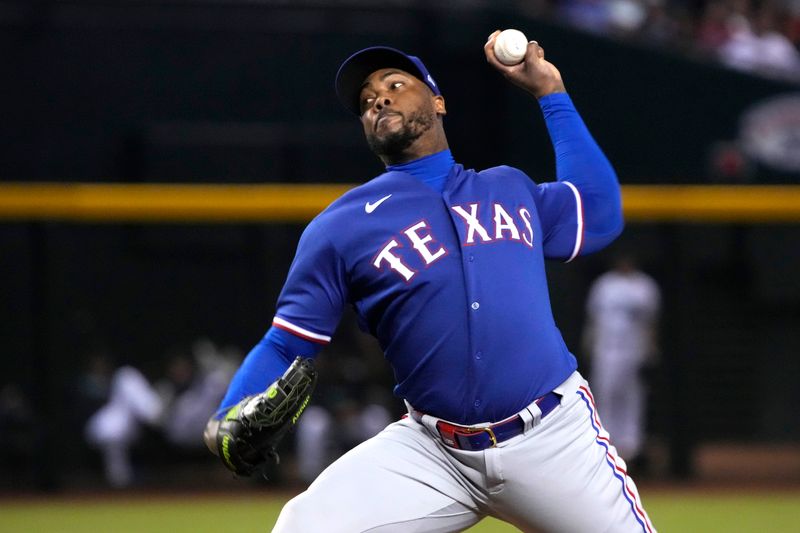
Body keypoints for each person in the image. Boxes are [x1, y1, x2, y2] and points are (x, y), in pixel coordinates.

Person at [206, 31, 656, 532]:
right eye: (367, 99)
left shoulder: (507, 186)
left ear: (438, 101)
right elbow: (287, 342)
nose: (379, 96)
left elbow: (599, 209)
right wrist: (228, 412)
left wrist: (551, 93)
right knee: (302, 526)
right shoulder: (340, 226)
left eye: (396, 83)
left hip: (552, 436)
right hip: (432, 453)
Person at [584, 254, 661, 469]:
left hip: (633, 349)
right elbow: (593, 319)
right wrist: (588, 344)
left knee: (632, 396)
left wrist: (651, 349)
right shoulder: (604, 284)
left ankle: (631, 445)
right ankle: (606, 440)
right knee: (604, 392)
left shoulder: (645, 285)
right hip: (606, 348)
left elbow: (651, 322)